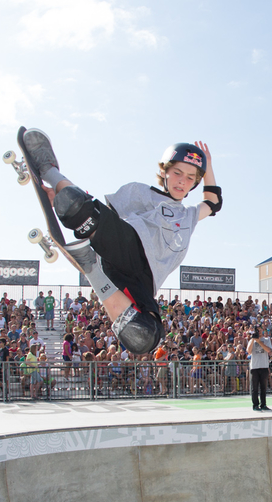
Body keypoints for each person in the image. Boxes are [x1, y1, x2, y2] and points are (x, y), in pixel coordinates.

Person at [21, 128, 222, 354]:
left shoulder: (190, 215)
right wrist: (67, 202)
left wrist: (208, 167)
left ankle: (90, 267)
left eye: (190, 178)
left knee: (144, 337)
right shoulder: (141, 192)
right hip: (127, 245)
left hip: (145, 280)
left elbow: (213, 202)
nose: (182, 181)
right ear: (165, 171)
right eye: (177, 172)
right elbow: (103, 212)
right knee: (74, 202)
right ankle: (49, 169)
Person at [246, 327, 272, 411]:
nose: (259, 332)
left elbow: (269, 350)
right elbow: (249, 351)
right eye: (258, 330)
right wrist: (253, 340)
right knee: (254, 388)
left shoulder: (266, 340)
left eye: (260, 330)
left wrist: (259, 341)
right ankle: (255, 405)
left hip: (264, 365)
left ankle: (263, 404)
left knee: (263, 387)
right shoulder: (251, 341)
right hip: (254, 366)